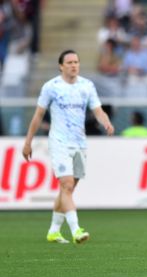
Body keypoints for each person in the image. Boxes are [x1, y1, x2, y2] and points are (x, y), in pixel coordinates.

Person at [22, 50, 114, 244]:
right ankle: (76, 230)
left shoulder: (86, 86)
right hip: (59, 142)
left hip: (80, 143)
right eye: (70, 62)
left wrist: (106, 122)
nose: (74, 65)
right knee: (67, 185)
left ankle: (53, 231)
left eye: (76, 62)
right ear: (61, 66)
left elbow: (98, 110)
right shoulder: (51, 87)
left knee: (68, 191)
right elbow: (38, 115)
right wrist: (28, 142)